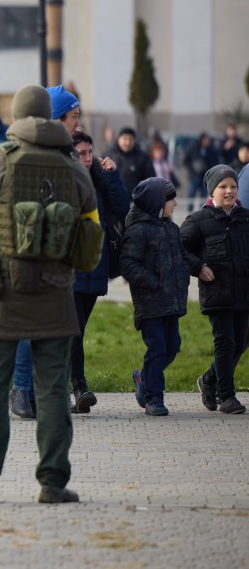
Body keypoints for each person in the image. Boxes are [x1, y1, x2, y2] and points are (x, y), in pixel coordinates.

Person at [0, 84, 96, 505]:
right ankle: (52, 483)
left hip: (1, 291)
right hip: (56, 293)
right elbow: (90, 237)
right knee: (53, 389)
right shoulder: (74, 166)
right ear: (54, 118)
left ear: (15, 116)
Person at [181, 164, 249, 415]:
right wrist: (198, 267)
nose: (229, 191)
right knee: (225, 342)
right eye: (223, 187)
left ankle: (209, 380)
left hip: (243, 292)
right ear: (212, 191)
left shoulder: (245, 218)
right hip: (217, 292)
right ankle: (227, 396)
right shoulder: (199, 220)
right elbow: (181, 248)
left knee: (241, 341)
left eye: (232, 186)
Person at [121, 178, 190, 416]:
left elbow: (182, 257)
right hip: (150, 304)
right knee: (158, 348)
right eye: (171, 199)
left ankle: (143, 377)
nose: (176, 203)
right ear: (157, 203)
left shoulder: (172, 229)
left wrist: (197, 268)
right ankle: (153, 397)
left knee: (172, 347)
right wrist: (153, 282)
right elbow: (128, 264)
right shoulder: (138, 231)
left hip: (171, 301)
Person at [69, 132, 126, 413]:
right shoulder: (64, 181)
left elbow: (122, 208)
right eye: (81, 153)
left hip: (95, 266)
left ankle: (75, 388)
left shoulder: (100, 180)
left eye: (90, 152)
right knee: (74, 330)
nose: (88, 158)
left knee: (79, 329)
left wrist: (113, 176)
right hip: (70, 267)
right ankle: (78, 386)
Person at [105, 127, 154, 202]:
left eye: (130, 139)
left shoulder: (143, 157)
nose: (127, 142)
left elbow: (150, 180)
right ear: (119, 140)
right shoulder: (108, 155)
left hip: (135, 202)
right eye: (125, 139)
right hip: (112, 202)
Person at [183, 132, 221, 211]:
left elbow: (216, 162)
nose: (207, 142)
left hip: (206, 178)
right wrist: (192, 167)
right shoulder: (193, 148)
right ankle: (189, 211)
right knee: (191, 194)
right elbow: (186, 160)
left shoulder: (212, 150)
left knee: (204, 196)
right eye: (205, 140)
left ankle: (202, 211)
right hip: (194, 176)